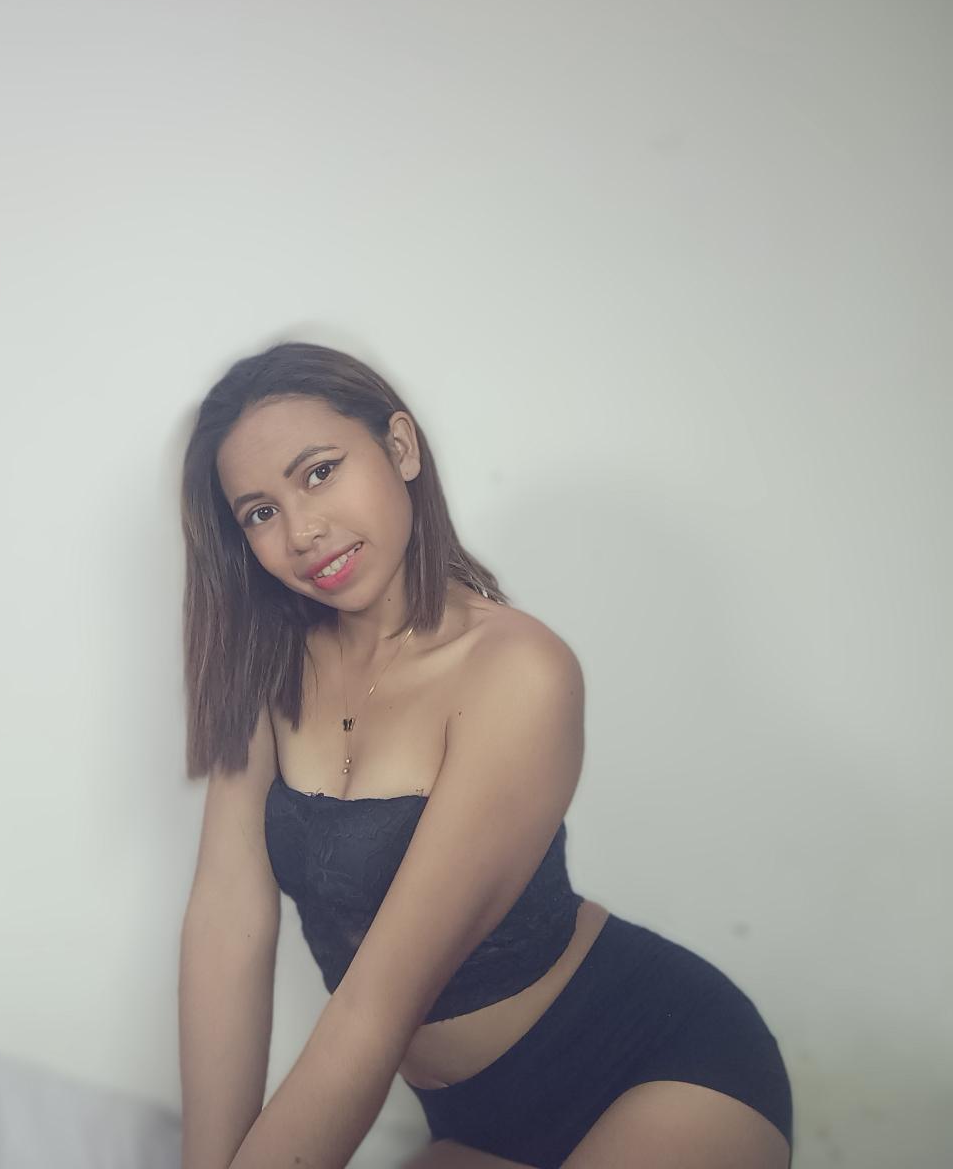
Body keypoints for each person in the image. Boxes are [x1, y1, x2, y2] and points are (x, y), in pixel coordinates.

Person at [177, 340, 793, 1169]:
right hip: (467, 1121)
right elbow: (227, 924)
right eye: (259, 512)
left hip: (660, 1071)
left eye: (319, 472)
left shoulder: (518, 671)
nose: (302, 531)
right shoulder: (270, 668)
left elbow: (375, 1006)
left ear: (400, 447)